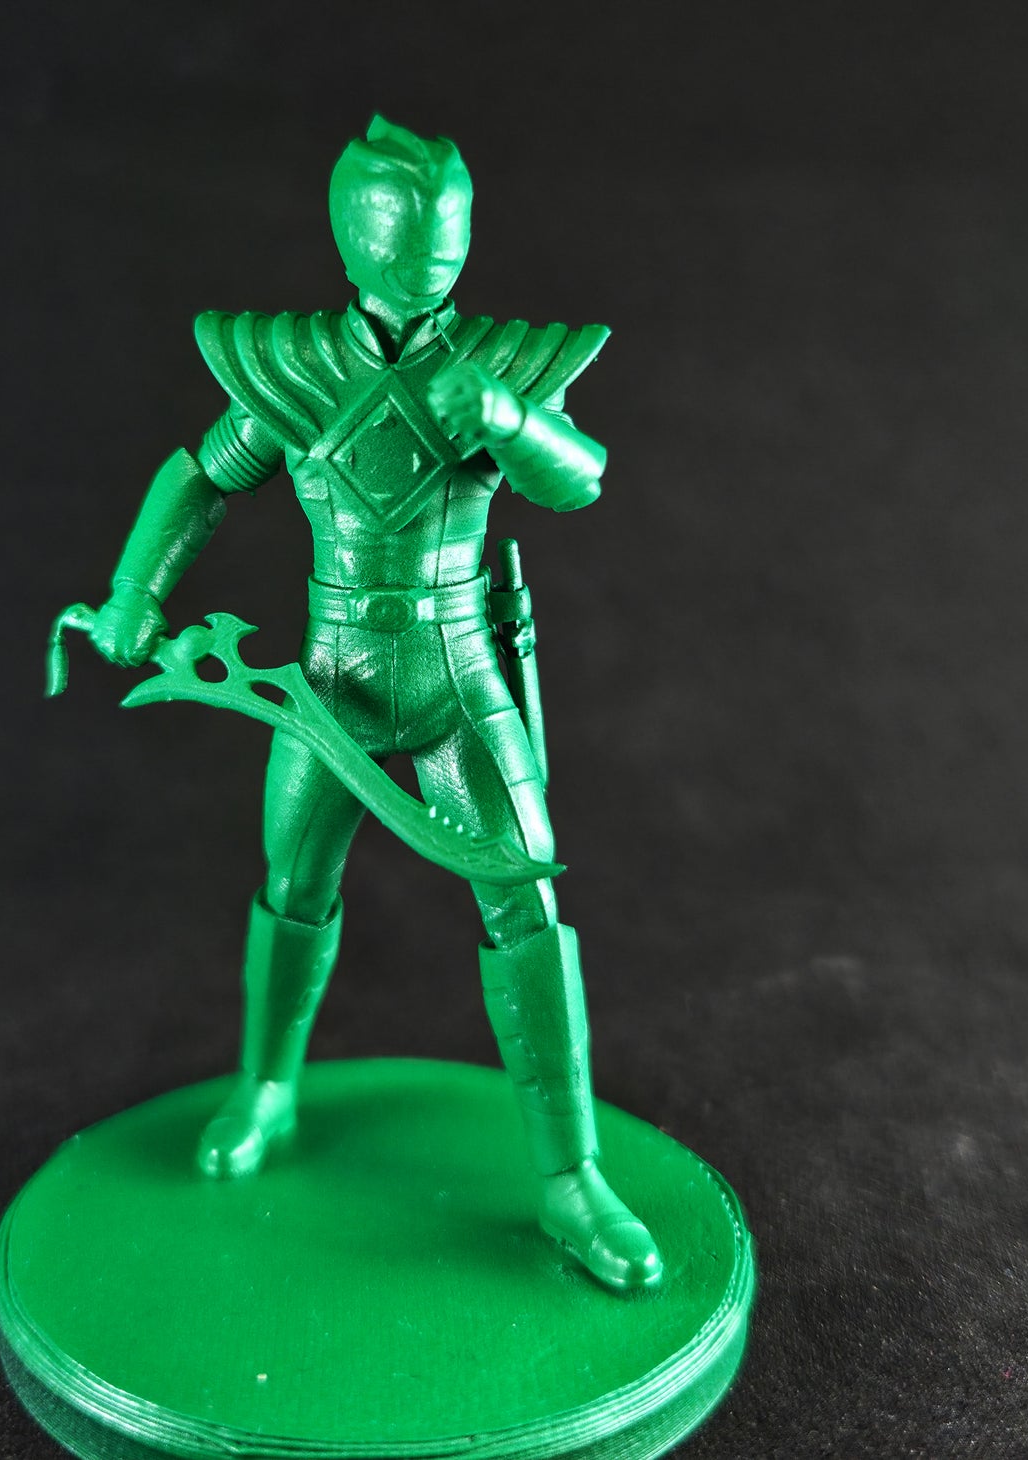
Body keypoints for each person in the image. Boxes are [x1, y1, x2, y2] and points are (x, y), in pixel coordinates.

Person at [80, 116, 661, 1291]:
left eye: (448, 235)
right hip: (329, 687)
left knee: (524, 897)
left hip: (457, 677)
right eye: (408, 235)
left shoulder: (495, 366)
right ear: (358, 235)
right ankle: (266, 1087)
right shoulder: (296, 373)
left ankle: (569, 1174)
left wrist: (504, 418)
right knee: (292, 888)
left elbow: (582, 476)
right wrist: (135, 590)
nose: (430, 259)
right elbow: (201, 475)